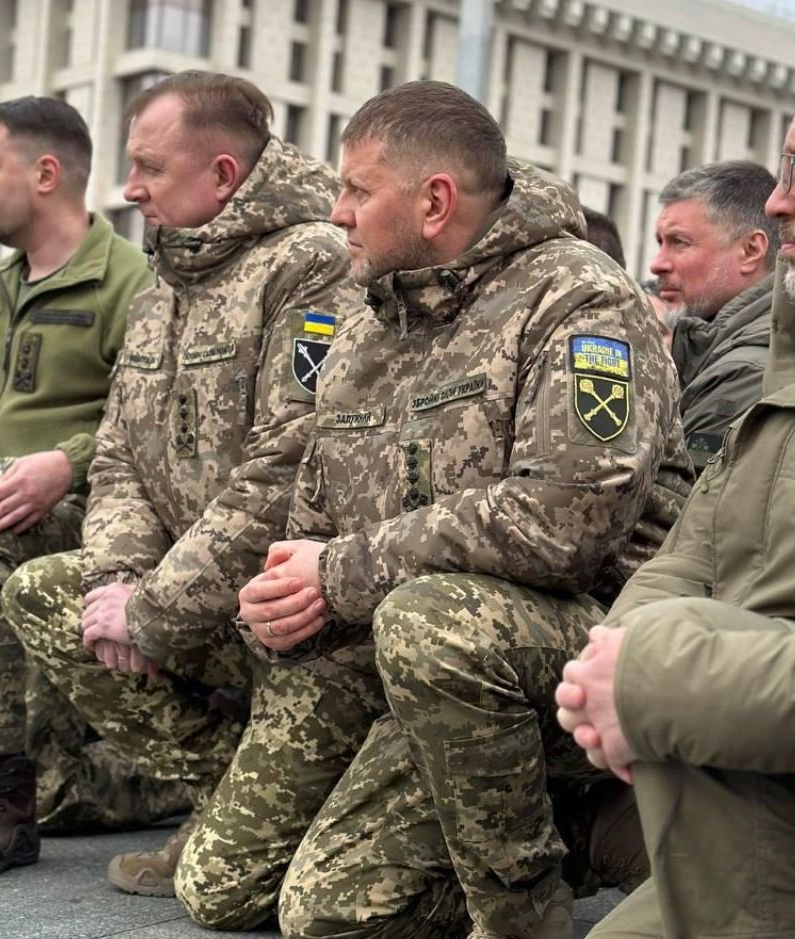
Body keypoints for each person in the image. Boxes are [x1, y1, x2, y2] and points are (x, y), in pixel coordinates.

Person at [235, 81, 693, 939]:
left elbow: (566, 518)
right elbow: (318, 516)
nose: (336, 212)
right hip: (414, 648)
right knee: (237, 886)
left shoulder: (577, 296)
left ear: (434, 201)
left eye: (357, 189)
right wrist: (285, 596)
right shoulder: (368, 320)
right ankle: (553, 817)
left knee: (330, 910)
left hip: (583, 645)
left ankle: (527, 899)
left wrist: (340, 573)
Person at [1, 70, 361, 922]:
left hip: (292, 620)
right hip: (192, 598)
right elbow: (119, 450)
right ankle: (227, 793)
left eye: (150, 168)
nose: (129, 189)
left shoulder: (311, 264)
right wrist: (119, 580)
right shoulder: (165, 277)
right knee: (49, 595)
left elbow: (289, 459)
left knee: (226, 894)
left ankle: (292, 810)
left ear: (223, 175)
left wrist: (155, 607)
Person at [557, 63, 795, 938]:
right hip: (755, 811)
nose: (778, 200)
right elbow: (692, 550)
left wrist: (652, 678)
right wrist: (614, 668)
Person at [0, 96, 157, 878]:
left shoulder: (130, 282)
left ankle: (1, 791)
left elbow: (149, 427)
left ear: (45, 173)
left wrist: (67, 462)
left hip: (92, 516)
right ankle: (74, 777)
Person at [650, 161, 778, 470]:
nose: (657, 264)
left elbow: (677, 493)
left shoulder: (746, 371)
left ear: (751, 250)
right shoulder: (712, 348)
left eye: (679, 243)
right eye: (660, 243)